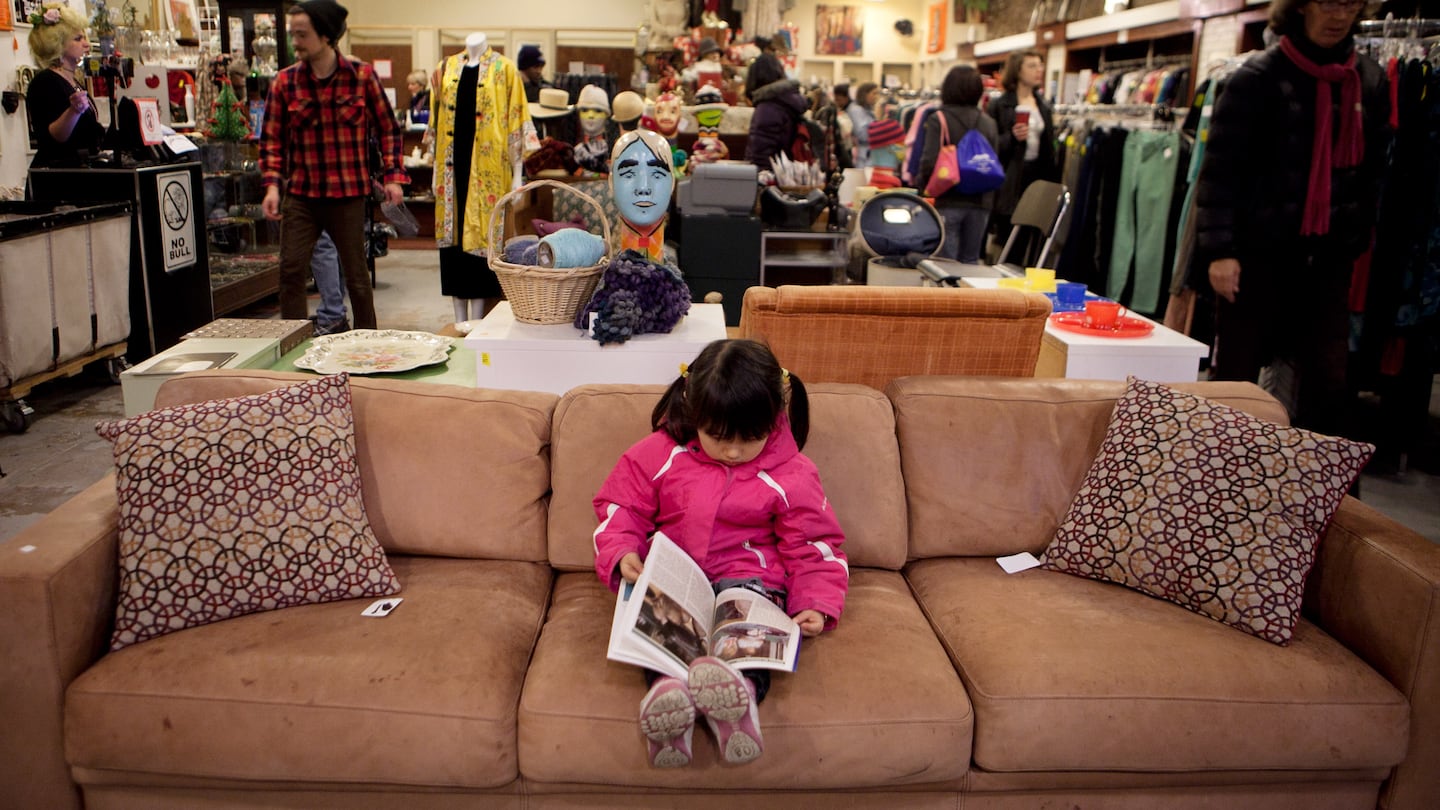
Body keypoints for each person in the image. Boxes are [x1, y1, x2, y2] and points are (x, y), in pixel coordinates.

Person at [592, 339, 849, 768]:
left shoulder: (792, 473)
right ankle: (670, 704)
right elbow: (621, 507)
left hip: (750, 581)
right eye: (718, 437)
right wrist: (621, 550)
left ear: (775, 418)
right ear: (695, 413)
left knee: (742, 641)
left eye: (750, 439)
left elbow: (814, 545)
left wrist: (816, 603)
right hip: (676, 574)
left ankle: (739, 701)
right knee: (666, 639)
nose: (732, 451)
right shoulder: (658, 453)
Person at [1194, 0, 1389, 436]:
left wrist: (1354, 239)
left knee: (1329, 389)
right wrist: (1220, 252)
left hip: (1328, 262)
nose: (1339, 15)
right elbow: (1221, 171)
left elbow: (1373, 174)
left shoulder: (1369, 80)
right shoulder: (1256, 78)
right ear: (1302, 6)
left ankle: (1323, 499)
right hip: (1255, 259)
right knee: (1236, 387)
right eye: (1328, 2)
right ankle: (1218, 487)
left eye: (1350, 4)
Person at [259, 0, 407, 331]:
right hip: (302, 195)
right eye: (292, 34)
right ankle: (293, 345)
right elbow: (271, 140)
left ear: (326, 36)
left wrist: (393, 177)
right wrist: (271, 185)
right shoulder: (285, 83)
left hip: (348, 194)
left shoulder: (362, 77)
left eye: (302, 34)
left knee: (357, 275)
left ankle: (368, 343)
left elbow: (388, 128)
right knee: (291, 271)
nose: (295, 42)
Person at [430, 32, 534, 324]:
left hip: (489, 167)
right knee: (451, 242)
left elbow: (517, 118)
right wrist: (435, 170)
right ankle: (457, 318)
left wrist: (517, 173)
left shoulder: (505, 69)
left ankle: (477, 320)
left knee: (481, 239)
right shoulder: (445, 68)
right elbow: (436, 119)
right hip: (451, 167)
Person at [918, 66, 1000, 264]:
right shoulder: (988, 122)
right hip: (980, 202)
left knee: (945, 265)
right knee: (971, 262)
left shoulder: (939, 119)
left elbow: (929, 161)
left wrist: (923, 189)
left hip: (948, 199)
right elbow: (994, 162)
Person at [986, 49, 1057, 251]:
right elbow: (990, 146)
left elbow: (1048, 148)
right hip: (1009, 177)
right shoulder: (1000, 105)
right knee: (1008, 238)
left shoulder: (1042, 106)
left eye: (1040, 65)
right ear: (1017, 71)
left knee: (1030, 235)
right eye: (1032, 66)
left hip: (1036, 175)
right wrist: (1012, 138)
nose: (1038, 71)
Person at [24, 3, 104, 170]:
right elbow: (54, 137)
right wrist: (74, 111)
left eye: (85, 38)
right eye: (78, 39)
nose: (86, 45)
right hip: (57, 176)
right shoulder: (45, 82)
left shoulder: (73, 80)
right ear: (57, 45)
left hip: (78, 170)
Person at [744, 53, 807, 171]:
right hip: (788, 174)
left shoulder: (767, 107)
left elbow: (759, 155)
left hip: (771, 179)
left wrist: (756, 182)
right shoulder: (788, 101)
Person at [846, 82, 878, 167]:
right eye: (874, 93)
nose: (876, 97)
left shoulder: (867, 110)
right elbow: (862, 135)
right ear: (865, 94)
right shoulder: (856, 110)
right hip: (861, 158)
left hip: (867, 155)